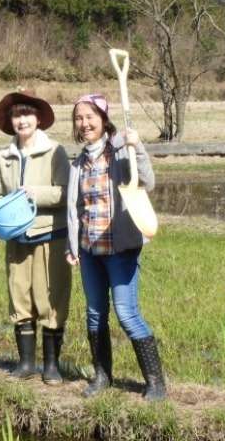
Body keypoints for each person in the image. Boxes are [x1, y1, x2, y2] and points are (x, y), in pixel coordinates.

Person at [65, 93, 167, 401]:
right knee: (95, 314)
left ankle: (155, 382)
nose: (84, 123)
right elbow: (74, 208)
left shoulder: (121, 151)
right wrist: (72, 245)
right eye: (79, 118)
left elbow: (146, 182)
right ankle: (102, 376)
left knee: (126, 313)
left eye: (90, 116)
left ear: (103, 118)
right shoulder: (78, 163)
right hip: (89, 250)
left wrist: (138, 148)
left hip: (120, 249)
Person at [0, 90, 71, 384]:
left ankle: (51, 365)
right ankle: (26, 363)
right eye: (16, 115)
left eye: (27, 114)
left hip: (51, 235)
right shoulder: (3, 157)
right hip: (16, 238)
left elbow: (66, 192)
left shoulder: (55, 151)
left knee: (51, 297)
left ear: (38, 119)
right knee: (19, 296)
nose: (22, 120)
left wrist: (35, 194)